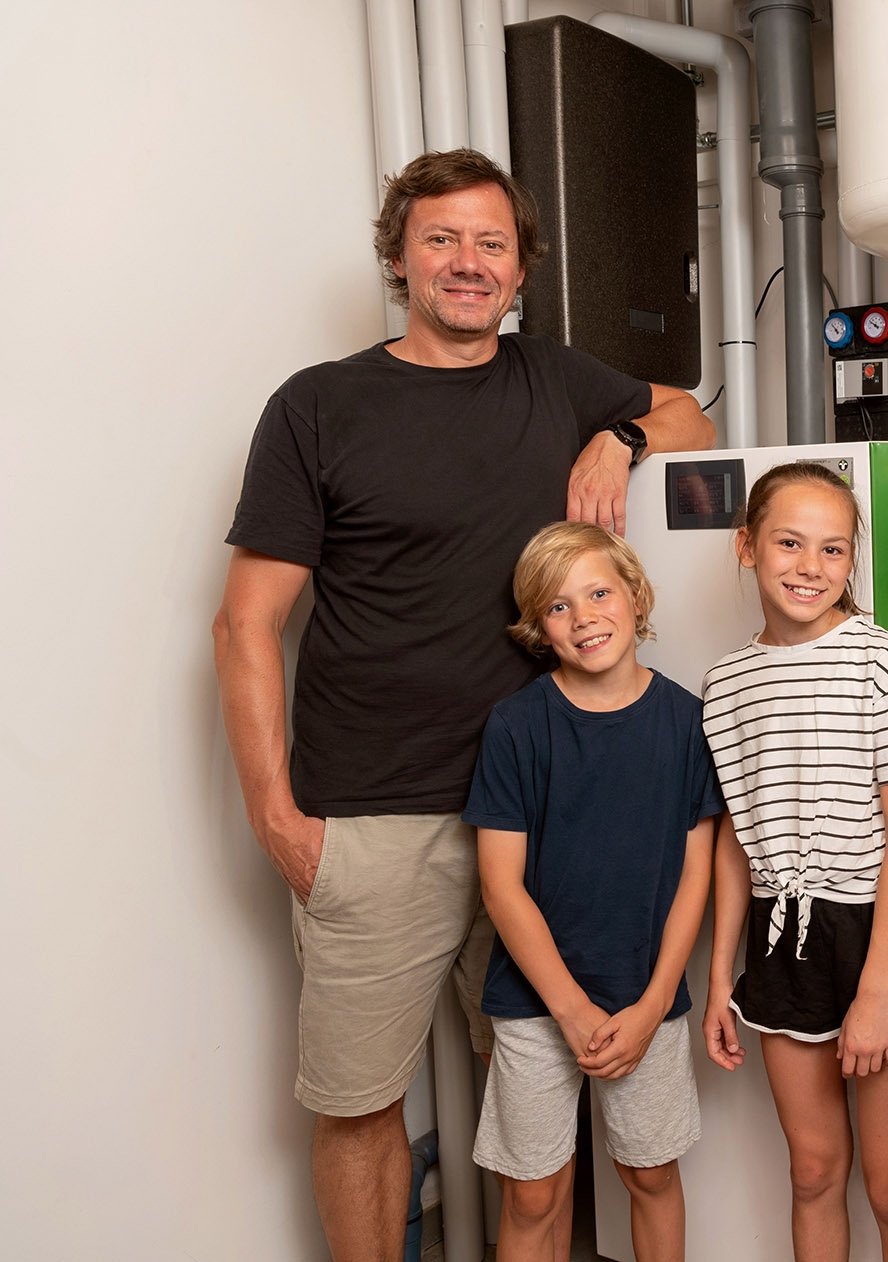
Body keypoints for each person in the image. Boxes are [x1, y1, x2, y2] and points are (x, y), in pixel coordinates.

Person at [210, 147, 714, 1261]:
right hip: (372, 816)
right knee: (360, 1104)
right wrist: (276, 816)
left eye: (492, 242)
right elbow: (245, 625)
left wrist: (618, 435)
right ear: (398, 258)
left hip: (540, 819)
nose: (468, 262)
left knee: (536, 1087)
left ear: (522, 267)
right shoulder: (319, 405)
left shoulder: (555, 378)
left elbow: (692, 416)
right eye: (440, 239)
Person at [699, 462, 888, 1261]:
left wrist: (874, 995)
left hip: (873, 934)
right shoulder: (726, 684)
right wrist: (720, 979)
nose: (810, 566)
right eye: (789, 543)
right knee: (812, 1172)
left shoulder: (881, 664)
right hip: (779, 937)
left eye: (833, 549)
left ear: (851, 561)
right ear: (747, 547)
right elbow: (734, 838)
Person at [465, 522, 719, 1262]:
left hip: (646, 996)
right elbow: (500, 886)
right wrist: (571, 1012)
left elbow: (695, 876)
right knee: (533, 1194)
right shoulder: (516, 727)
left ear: (635, 595)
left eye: (599, 593)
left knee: (650, 1174)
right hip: (535, 1000)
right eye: (558, 605)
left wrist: (653, 1004)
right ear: (538, 628)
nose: (583, 618)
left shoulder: (687, 724)